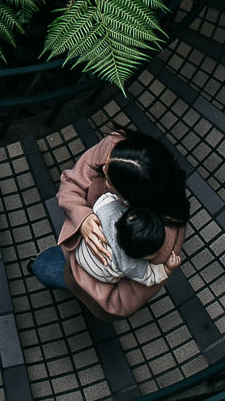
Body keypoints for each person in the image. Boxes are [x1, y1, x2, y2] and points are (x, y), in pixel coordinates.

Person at [29, 130, 190, 319]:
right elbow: (71, 182)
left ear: (128, 201)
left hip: (87, 278)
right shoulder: (118, 151)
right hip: (74, 245)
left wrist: (88, 271)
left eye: (109, 181)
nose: (103, 169)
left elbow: (120, 302)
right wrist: (83, 218)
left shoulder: (159, 239)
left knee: (43, 269)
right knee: (45, 266)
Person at [74, 191, 183, 287]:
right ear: (137, 257)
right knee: (116, 274)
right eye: (155, 252)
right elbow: (149, 277)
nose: (159, 251)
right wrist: (167, 269)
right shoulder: (131, 265)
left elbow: (105, 199)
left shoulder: (108, 209)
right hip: (98, 274)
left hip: (79, 250)